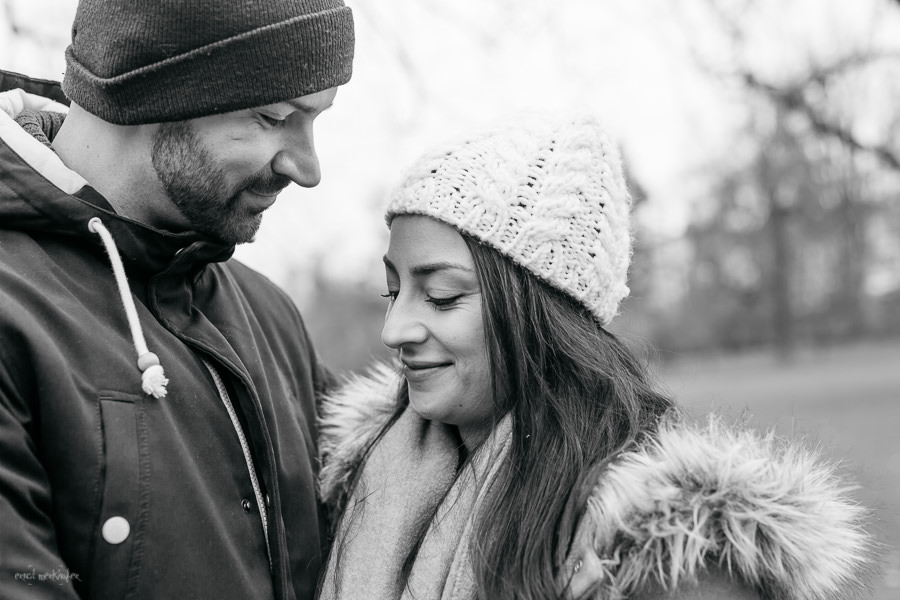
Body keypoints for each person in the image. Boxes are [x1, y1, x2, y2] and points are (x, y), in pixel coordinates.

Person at [315, 116, 873, 599]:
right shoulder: (362, 484)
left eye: (442, 297)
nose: (395, 330)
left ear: (541, 316)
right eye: (393, 292)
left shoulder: (658, 557)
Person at [0, 0, 353, 598]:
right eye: (272, 117)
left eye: (314, 120)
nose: (307, 167)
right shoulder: (13, 308)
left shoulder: (269, 315)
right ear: (149, 93)